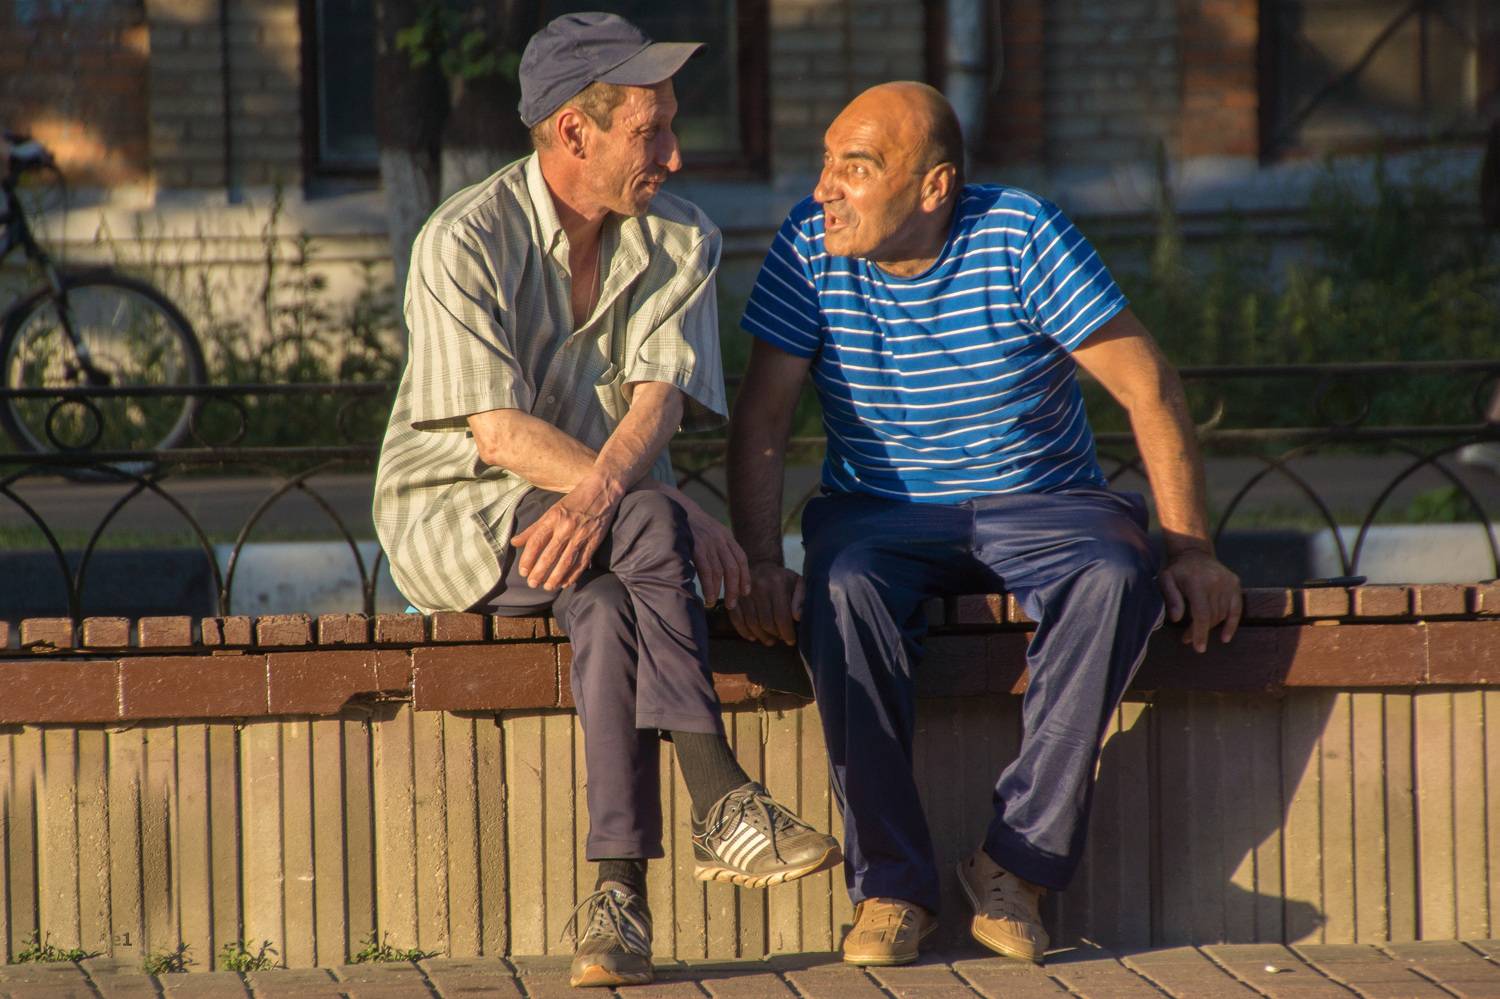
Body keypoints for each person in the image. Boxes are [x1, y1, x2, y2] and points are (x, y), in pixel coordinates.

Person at [726, 82, 1243, 967]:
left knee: (1116, 575)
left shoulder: (1020, 233)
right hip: (879, 513)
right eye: (826, 162)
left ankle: (1015, 865)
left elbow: (1146, 383)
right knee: (841, 590)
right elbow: (763, 418)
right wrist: (761, 561)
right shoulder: (809, 243)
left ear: (934, 187)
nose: (825, 188)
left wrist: (1192, 548)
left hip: (1045, 501)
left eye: (857, 167)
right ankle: (891, 884)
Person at [372, 13, 839, 989]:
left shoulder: (681, 235)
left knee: (605, 604)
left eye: (672, 125)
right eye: (650, 131)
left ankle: (616, 902)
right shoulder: (463, 239)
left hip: (609, 533)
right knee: (651, 520)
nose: (674, 153)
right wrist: (649, 504)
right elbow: (497, 437)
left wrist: (614, 499)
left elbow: (657, 404)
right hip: (460, 513)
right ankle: (720, 795)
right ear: (573, 132)